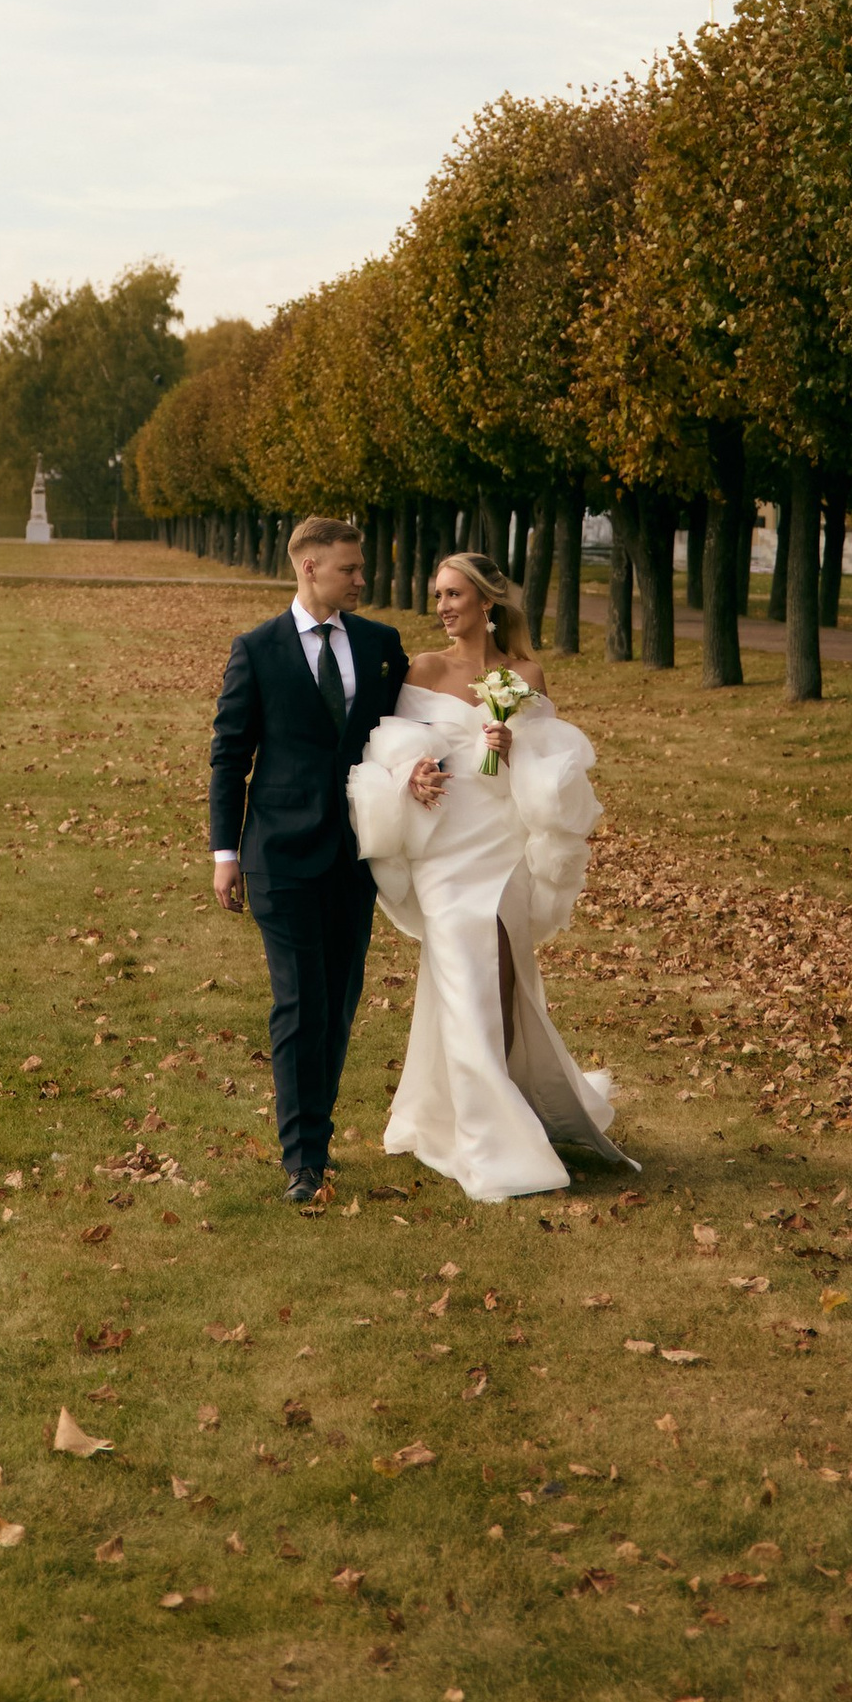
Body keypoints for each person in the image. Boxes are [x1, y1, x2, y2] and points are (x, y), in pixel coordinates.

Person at [347, 548, 634, 1203]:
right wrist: (411, 772)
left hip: (502, 848)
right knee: (463, 981)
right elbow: (387, 743)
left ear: (487, 601)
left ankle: (491, 1099)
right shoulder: (421, 668)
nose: (443, 608)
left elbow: (547, 771)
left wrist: (515, 744)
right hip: (446, 851)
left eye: (453, 595)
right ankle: (489, 1141)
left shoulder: (524, 671)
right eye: (438, 595)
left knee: (501, 982)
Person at [207, 515, 410, 1204]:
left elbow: (411, 732)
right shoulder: (257, 650)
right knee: (300, 1003)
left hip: (357, 854)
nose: (362, 578)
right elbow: (230, 757)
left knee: (340, 1003)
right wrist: (224, 852)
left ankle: (317, 1142)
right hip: (279, 854)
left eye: (360, 567)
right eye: (349, 568)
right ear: (309, 568)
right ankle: (301, 1160)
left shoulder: (383, 646)